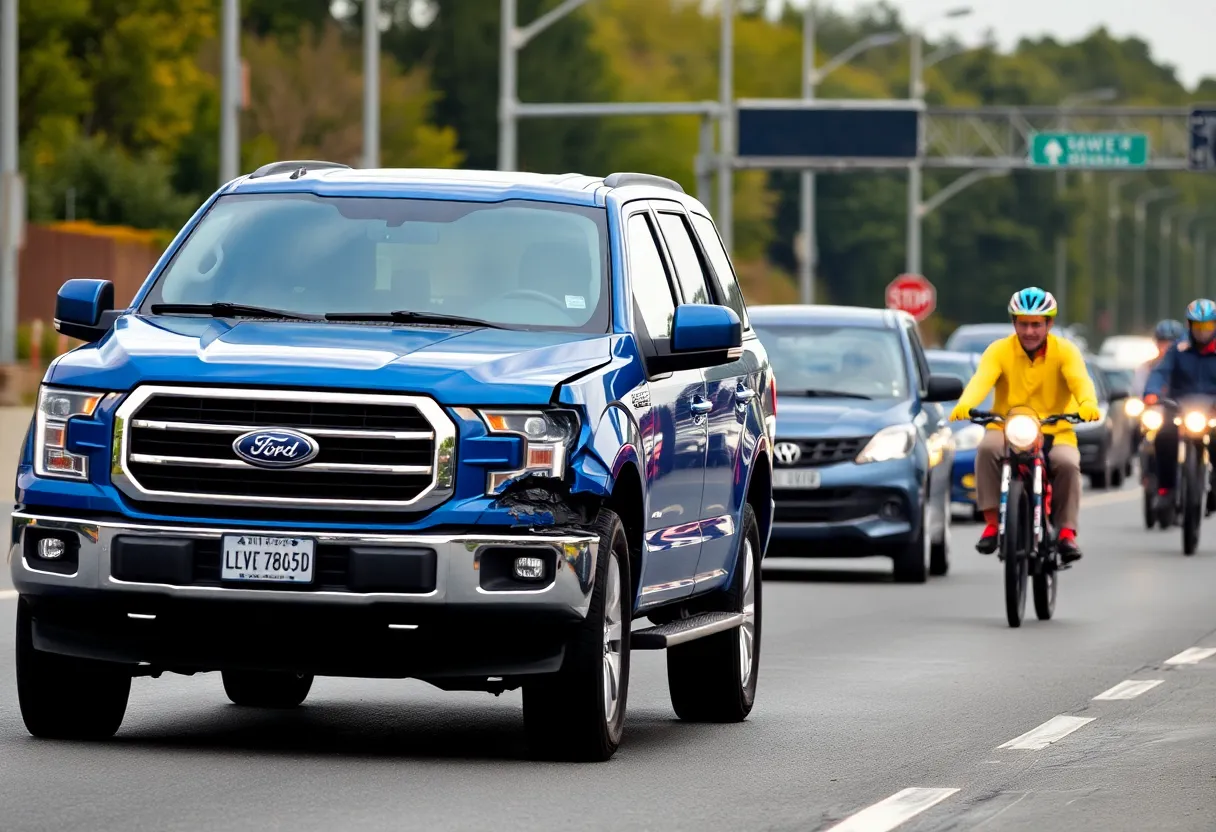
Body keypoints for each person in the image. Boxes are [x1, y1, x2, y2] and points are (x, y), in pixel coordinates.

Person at [949, 287, 1101, 564]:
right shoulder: (999, 350)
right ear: (1014, 323)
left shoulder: (1066, 351)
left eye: (1036, 325)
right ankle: (993, 522)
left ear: (1049, 324)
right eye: (1023, 324)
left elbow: (1080, 380)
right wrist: (965, 403)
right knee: (985, 450)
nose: (1029, 331)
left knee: (1067, 464)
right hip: (1005, 427)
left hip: (1056, 429)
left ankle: (1066, 532)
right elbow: (982, 379)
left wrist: (1087, 403)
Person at [1142, 299, 1216, 507]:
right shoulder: (1178, 349)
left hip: (1212, 410)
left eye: (1208, 326)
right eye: (1198, 326)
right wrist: (1152, 393)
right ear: (1189, 325)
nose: (1203, 331)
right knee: (1163, 435)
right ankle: (1166, 489)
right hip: (1179, 408)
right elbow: (1160, 372)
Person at [1132, 319, 1186, 397]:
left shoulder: (1189, 365)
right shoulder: (1145, 368)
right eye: (1162, 342)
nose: (1167, 346)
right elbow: (1137, 393)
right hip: (1153, 408)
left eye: (1172, 342)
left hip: (1183, 407)